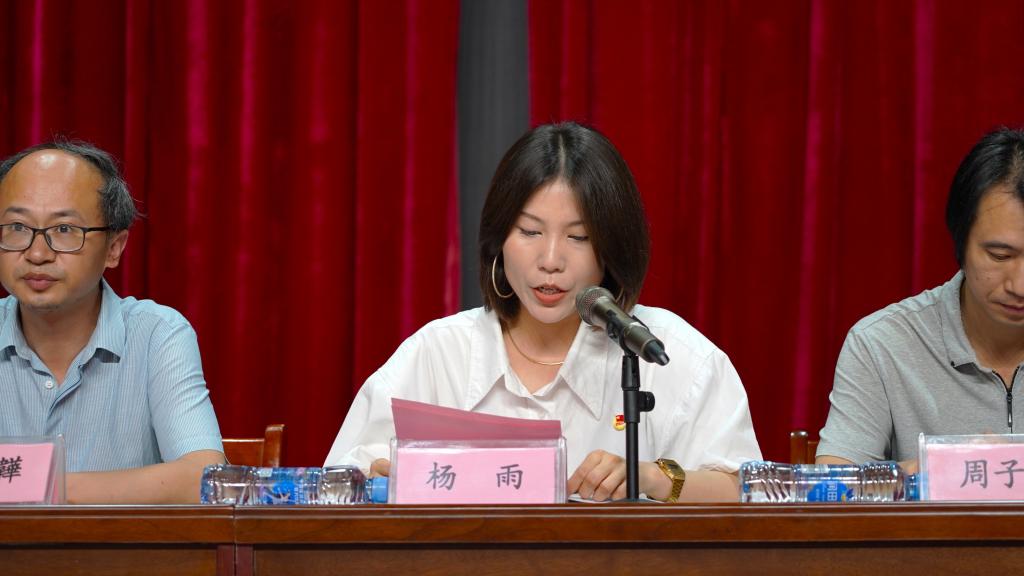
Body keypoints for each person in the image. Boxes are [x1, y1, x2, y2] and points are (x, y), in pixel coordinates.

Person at [325, 122, 761, 501]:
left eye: (578, 237)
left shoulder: (668, 353)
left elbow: (749, 493)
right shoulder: (437, 355)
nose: (551, 260)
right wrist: (381, 485)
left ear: (611, 248)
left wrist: (650, 477)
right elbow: (336, 488)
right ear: (499, 238)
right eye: (530, 231)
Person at [0, 139, 224, 503]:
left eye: (64, 230)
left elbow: (201, 477)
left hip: (123, 545)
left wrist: (36, 486)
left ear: (114, 248)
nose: (37, 253)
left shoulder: (157, 335)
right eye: (17, 227)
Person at [817, 127, 1024, 471]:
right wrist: (949, 468)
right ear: (960, 242)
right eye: (1000, 255)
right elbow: (836, 486)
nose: (1019, 285)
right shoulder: (883, 344)